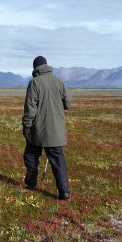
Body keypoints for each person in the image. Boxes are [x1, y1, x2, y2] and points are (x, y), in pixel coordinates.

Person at [22, 56, 71, 200]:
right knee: (58, 160)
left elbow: (30, 108)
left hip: (38, 129)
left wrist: (26, 126)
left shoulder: (34, 83)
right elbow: (68, 104)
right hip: (56, 130)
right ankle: (64, 192)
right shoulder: (59, 82)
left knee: (31, 155)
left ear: (35, 67)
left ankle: (31, 183)